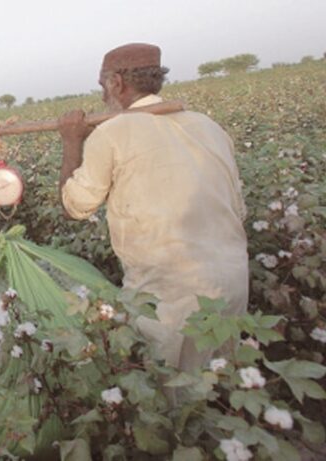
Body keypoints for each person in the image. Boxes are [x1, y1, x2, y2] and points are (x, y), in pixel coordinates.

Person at [58, 43, 249, 372]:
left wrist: (72, 142)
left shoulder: (112, 133)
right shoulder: (208, 126)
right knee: (223, 387)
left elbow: (75, 207)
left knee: (170, 402)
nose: (103, 96)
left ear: (116, 83)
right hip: (233, 282)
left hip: (170, 294)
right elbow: (239, 210)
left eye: (102, 85)